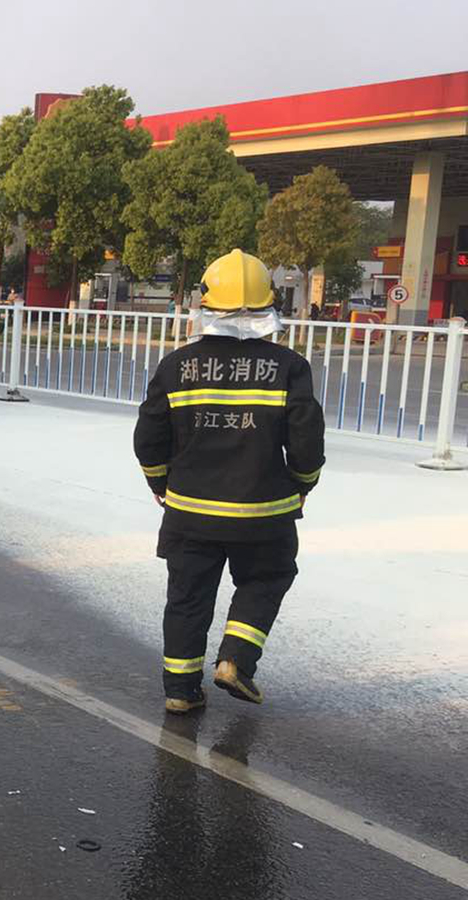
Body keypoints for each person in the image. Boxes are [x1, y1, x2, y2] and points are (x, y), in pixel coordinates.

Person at [133, 249, 324, 715]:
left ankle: (180, 689)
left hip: (190, 512)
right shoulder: (288, 366)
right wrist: (302, 483)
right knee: (268, 577)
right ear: (268, 302)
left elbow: (149, 436)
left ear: (205, 302)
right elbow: (306, 441)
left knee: (187, 597)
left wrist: (160, 483)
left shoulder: (177, 365)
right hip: (264, 514)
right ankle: (236, 660)